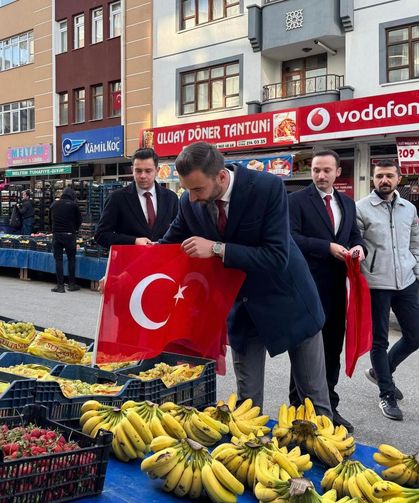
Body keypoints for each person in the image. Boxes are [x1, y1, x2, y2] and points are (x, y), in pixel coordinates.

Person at [138, 141, 332, 416]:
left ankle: (326, 452)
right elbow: (167, 248)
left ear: (220, 176)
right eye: (187, 189)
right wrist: (124, 273)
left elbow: (277, 257)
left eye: (197, 189)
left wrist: (217, 249)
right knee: (247, 405)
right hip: (242, 309)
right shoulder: (189, 201)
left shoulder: (267, 188)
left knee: (313, 399)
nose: (192, 197)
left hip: (290, 302)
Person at [287, 150, 366, 433]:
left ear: (337, 173)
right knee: (306, 353)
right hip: (307, 289)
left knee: (332, 350)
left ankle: (329, 406)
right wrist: (326, 248)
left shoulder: (346, 202)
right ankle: (298, 409)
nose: (321, 175)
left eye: (326, 170)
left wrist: (359, 248)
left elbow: (354, 235)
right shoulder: (295, 201)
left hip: (337, 290)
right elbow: (290, 238)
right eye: (316, 170)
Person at [356, 160, 419, 421]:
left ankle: (383, 372)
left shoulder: (409, 208)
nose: (384, 180)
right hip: (376, 284)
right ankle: (386, 393)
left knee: (415, 335)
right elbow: (355, 244)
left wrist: (416, 268)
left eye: (389, 176)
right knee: (379, 340)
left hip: (406, 280)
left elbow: (414, 239)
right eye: (379, 176)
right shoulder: (361, 208)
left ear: (398, 178)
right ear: (373, 179)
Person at [95, 148, 179, 248]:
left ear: (157, 171)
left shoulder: (171, 198)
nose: (143, 176)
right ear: (132, 170)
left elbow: (178, 231)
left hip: (162, 261)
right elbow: (101, 235)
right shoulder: (117, 198)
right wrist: (133, 241)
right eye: (138, 171)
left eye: (148, 171)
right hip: (130, 261)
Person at [50, 187, 82, 293]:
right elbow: (79, 221)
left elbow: (51, 220)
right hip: (70, 235)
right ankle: (71, 284)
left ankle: (60, 286)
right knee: (71, 259)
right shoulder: (73, 205)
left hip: (57, 235)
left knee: (58, 260)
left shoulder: (54, 204)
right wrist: (74, 229)